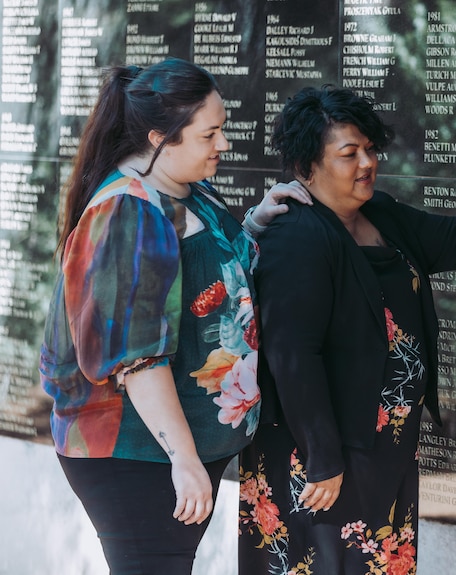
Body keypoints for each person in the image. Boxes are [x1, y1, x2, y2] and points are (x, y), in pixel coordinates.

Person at [236, 85, 456, 575]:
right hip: (324, 455)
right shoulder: (298, 237)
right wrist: (323, 458)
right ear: (306, 168)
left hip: (385, 447)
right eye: (348, 153)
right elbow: (294, 356)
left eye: (370, 149)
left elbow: (451, 236)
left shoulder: (379, 214)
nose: (366, 162)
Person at [39, 58, 308, 575]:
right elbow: (137, 360)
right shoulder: (128, 213)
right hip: (137, 456)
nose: (223, 144)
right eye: (210, 134)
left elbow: (207, 273)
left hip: (175, 449)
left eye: (222, 129)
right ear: (160, 136)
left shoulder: (182, 188)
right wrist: (183, 458)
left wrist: (254, 223)